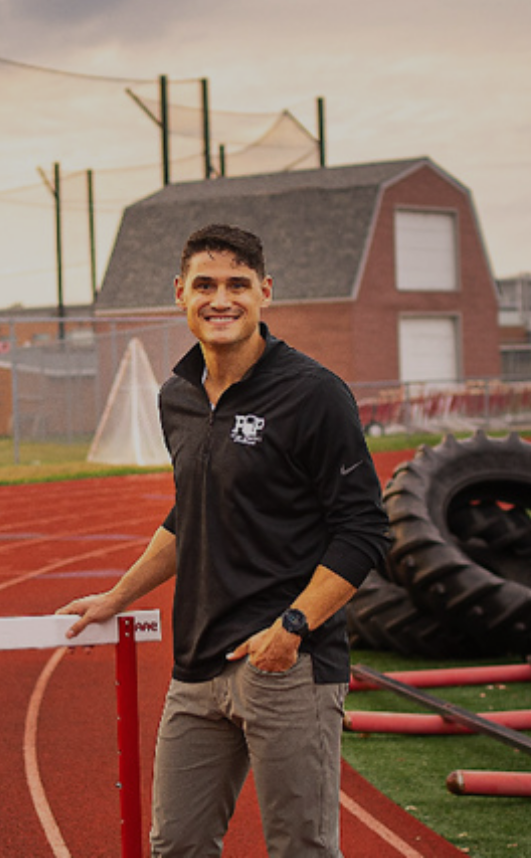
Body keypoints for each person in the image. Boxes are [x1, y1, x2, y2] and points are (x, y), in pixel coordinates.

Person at [59, 223, 390, 857]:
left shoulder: (314, 394)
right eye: (205, 285)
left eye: (238, 285)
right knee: (176, 847)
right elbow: (191, 514)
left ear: (264, 292)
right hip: (196, 665)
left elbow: (364, 528)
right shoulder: (176, 397)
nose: (221, 299)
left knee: (301, 849)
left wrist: (291, 628)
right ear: (180, 293)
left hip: (287, 664)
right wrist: (117, 597)